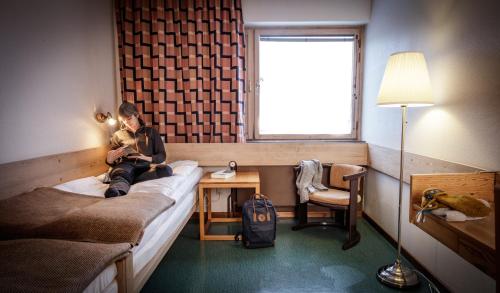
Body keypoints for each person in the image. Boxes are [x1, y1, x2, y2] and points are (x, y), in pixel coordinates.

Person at [105, 102, 172, 198]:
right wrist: (109, 160)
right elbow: (113, 160)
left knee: (166, 170)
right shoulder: (118, 135)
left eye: (129, 118)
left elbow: (162, 155)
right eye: (124, 120)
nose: (127, 122)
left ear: (136, 115)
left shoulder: (151, 132)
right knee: (120, 171)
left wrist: (146, 158)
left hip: (145, 167)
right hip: (125, 166)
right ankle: (117, 191)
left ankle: (128, 179)